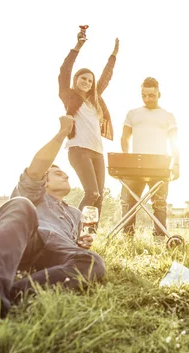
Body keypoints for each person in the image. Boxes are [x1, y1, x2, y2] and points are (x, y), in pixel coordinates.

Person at [0, 116, 106, 335]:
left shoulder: (74, 213)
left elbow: (73, 248)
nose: (65, 174)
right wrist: (63, 133)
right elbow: (36, 169)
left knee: (93, 261)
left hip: (56, 253)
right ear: (44, 181)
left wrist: (81, 244)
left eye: (65, 173)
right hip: (28, 242)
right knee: (19, 205)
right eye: (57, 173)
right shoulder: (34, 195)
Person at [58, 28, 119, 224]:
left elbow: (106, 76)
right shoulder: (69, 96)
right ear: (76, 80)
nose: (86, 82)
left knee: (99, 195)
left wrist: (114, 55)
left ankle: (89, 234)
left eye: (90, 80)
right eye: (83, 78)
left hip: (97, 152)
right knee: (91, 192)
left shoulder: (95, 100)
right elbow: (64, 70)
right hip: (79, 150)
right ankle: (72, 227)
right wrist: (78, 46)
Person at [120, 77, 179, 239]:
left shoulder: (168, 116)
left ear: (159, 94)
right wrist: (125, 158)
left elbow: (175, 142)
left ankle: (159, 238)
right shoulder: (132, 114)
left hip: (160, 165)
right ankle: (127, 237)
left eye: (151, 95)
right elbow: (125, 137)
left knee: (159, 203)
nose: (147, 99)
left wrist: (176, 165)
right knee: (128, 202)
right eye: (144, 95)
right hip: (135, 165)